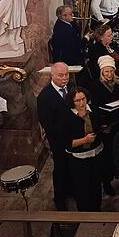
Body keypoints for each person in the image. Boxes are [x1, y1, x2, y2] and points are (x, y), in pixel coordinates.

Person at [62, 87, 104, 211]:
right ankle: (85, 214)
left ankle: (97, 209)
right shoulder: (67, 117)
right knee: (82, 188)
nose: (81, 103)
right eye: (77, 101)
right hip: (79, 159)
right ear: (72, 102)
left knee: (96, 185)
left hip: (96, 154)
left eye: (83, 99)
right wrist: (84, 140)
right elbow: (66, 143)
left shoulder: (94, 111)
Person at [37, 62, 72, 210]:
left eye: (67, 75)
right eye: (61, 75)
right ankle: (60, 198)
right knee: (60, 168)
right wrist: (64, 137)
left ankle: (71, 190)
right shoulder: (45, 96)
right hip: (58, 140)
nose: (65, 78)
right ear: (52, 75)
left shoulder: (71, 90)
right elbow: (47, 124)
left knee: (71, 166)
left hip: (73, 138)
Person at [89, 55, 119, 196]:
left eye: (111, 71)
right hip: (106, 127)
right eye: (106, 72)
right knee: (107, 156)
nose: (109, 75)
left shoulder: (118, 83)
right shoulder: (95, 86)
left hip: (118, 124)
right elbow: (95, 108)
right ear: (101, 72)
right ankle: (107, 182)